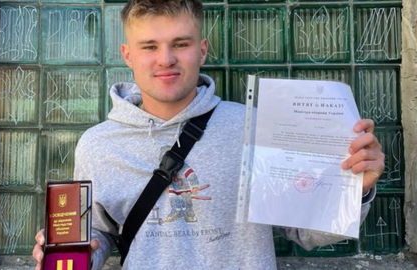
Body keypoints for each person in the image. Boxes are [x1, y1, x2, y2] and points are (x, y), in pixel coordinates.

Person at [33, 0, 385, 269]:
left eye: (180, 44)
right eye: (150, 46)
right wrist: (71, 256)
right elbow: (99, 234)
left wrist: (357, 188)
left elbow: (306, 233)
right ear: (128, 55)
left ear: (201, 50)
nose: (166, 59)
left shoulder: (254, 127)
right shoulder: (97, 145)